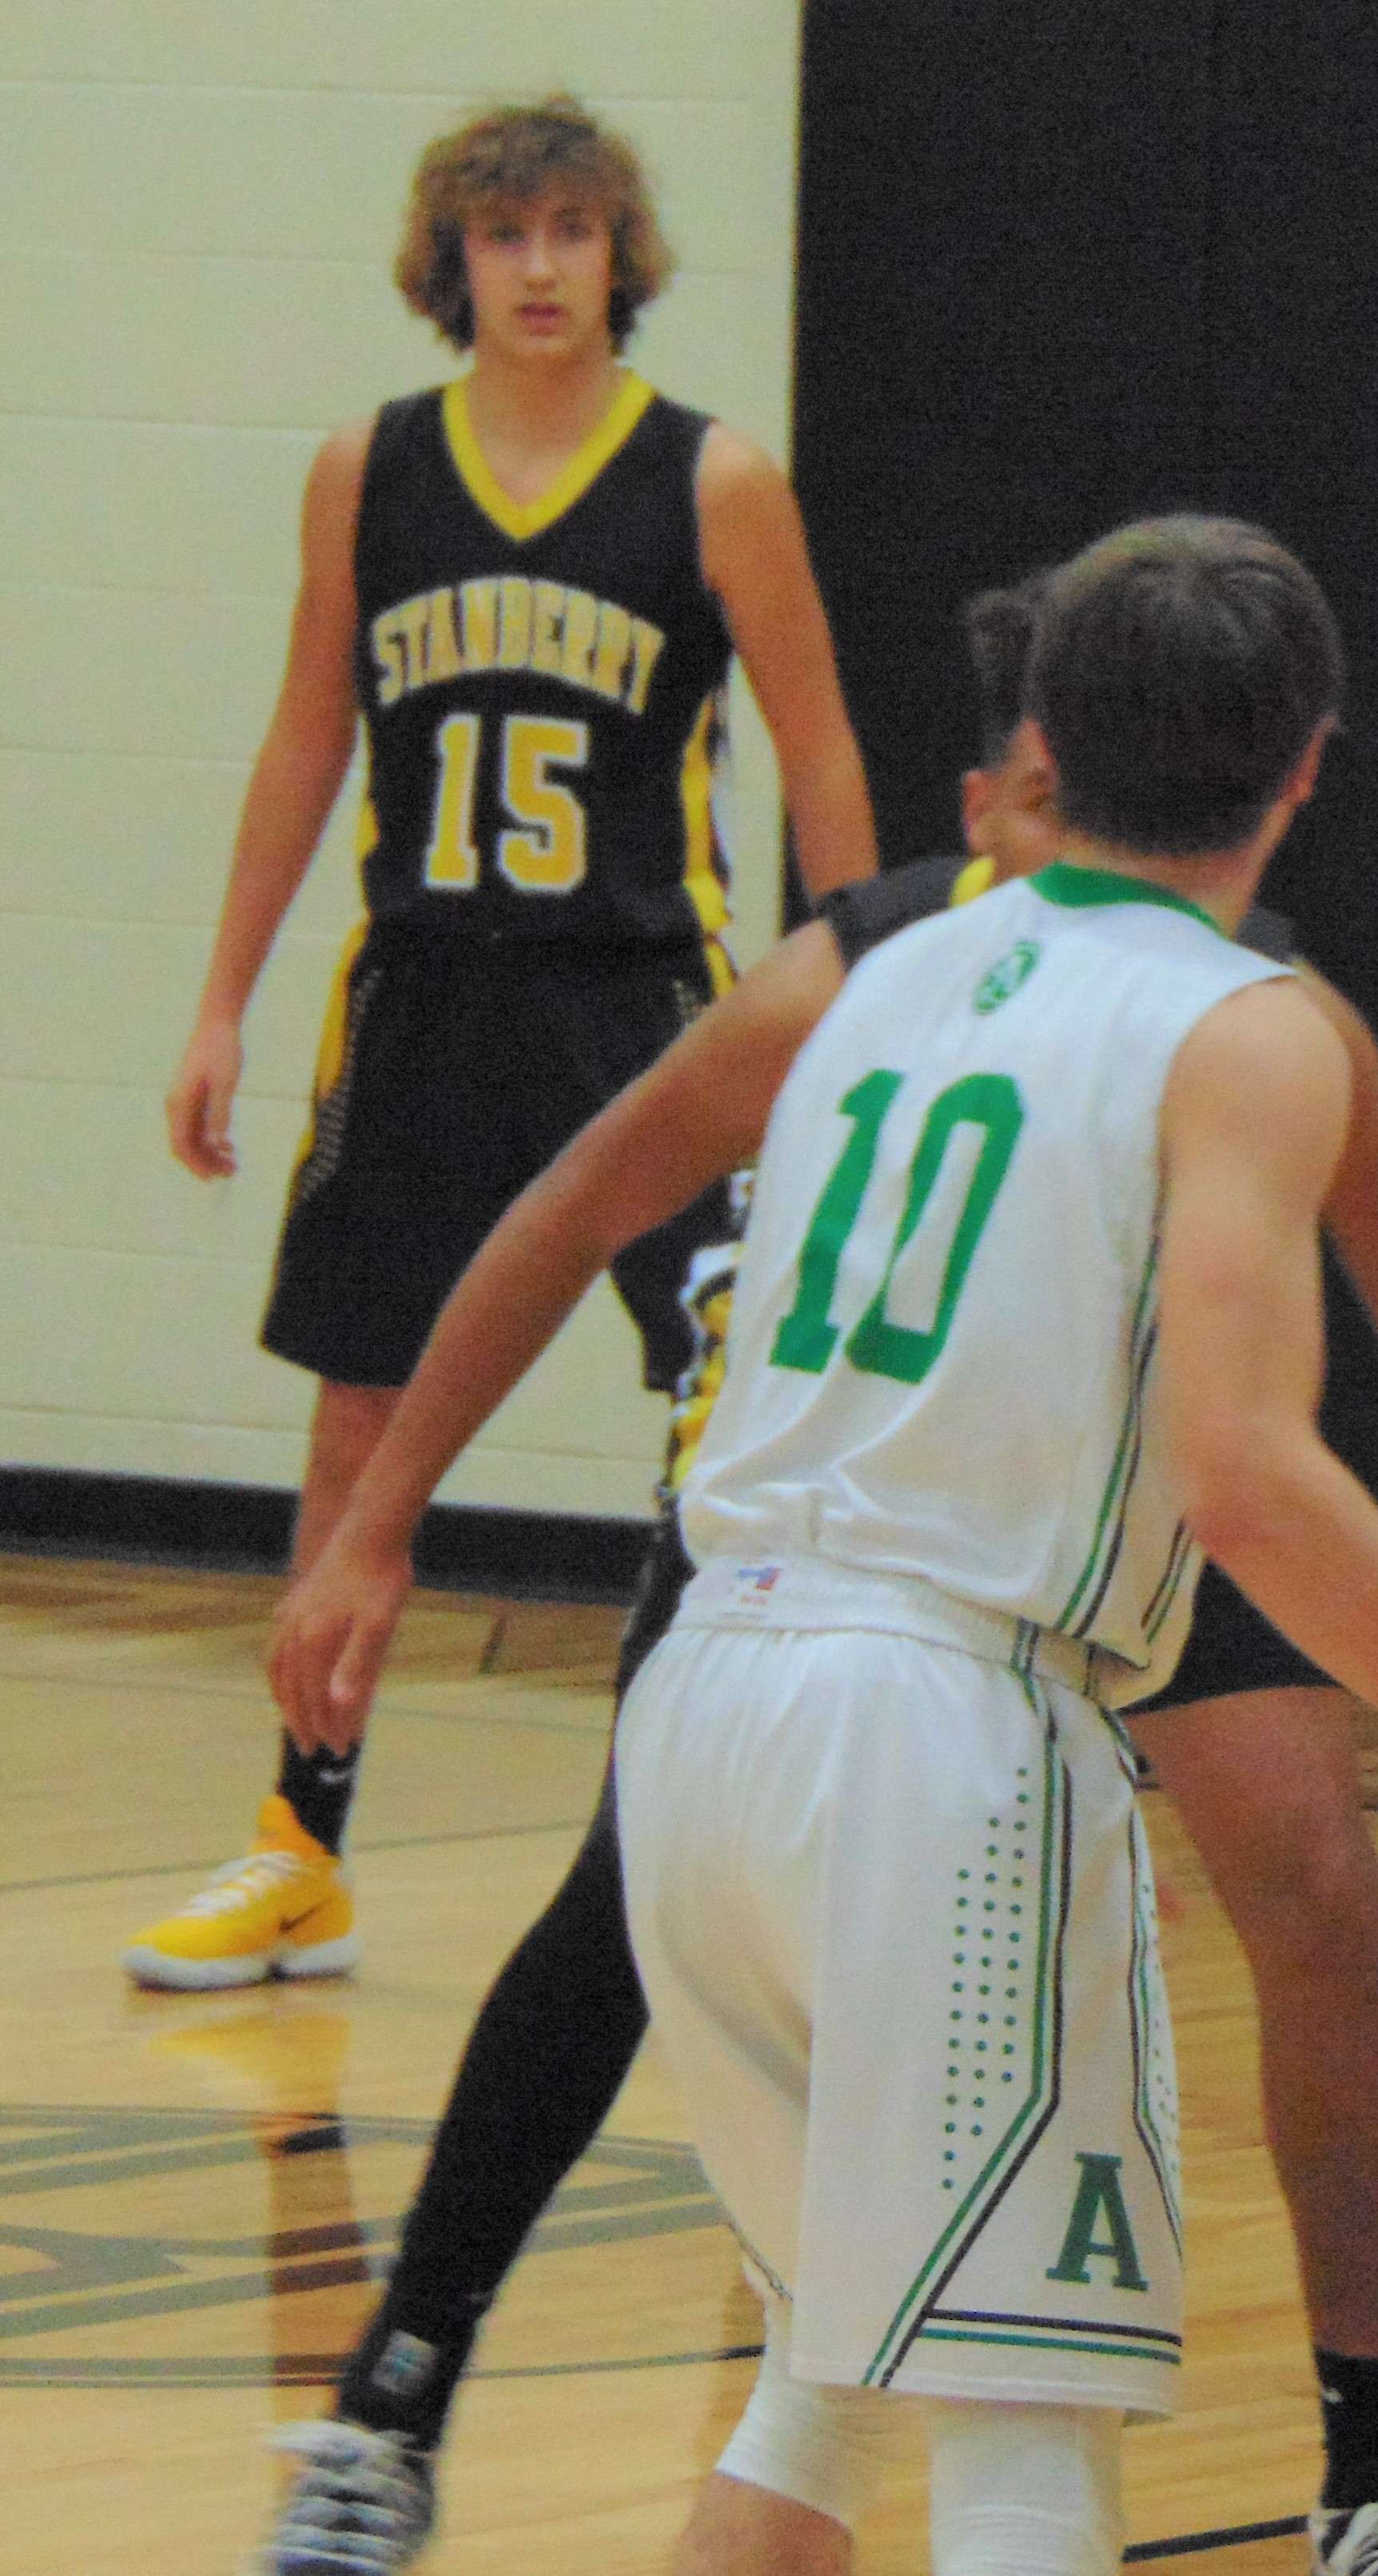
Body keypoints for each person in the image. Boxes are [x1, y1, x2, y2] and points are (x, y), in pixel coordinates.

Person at [258, 520, 1378, 2575]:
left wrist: (367, 1524)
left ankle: (1374, 2484)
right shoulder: (1250, 1027)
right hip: (946, 1736)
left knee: (825, 2391)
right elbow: (1244, 1472)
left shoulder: (875, 968)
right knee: (1029, 2440)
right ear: (1309, 765)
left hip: (712, 1703)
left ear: (1041, 744)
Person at [130, 94, 875, 1992]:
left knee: (745, 1426)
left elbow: (822, 746)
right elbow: (308, 733)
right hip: (421, 994)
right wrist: (219, 994)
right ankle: (301, 1841)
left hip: (643, 1010)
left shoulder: (715, 479)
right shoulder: (364, 470)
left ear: (621, 255)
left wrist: (876, 1001)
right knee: (360, 1419)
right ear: (450, 263)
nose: (539, 267)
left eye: (570, 232)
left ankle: (748, 1846)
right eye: (504, 235)